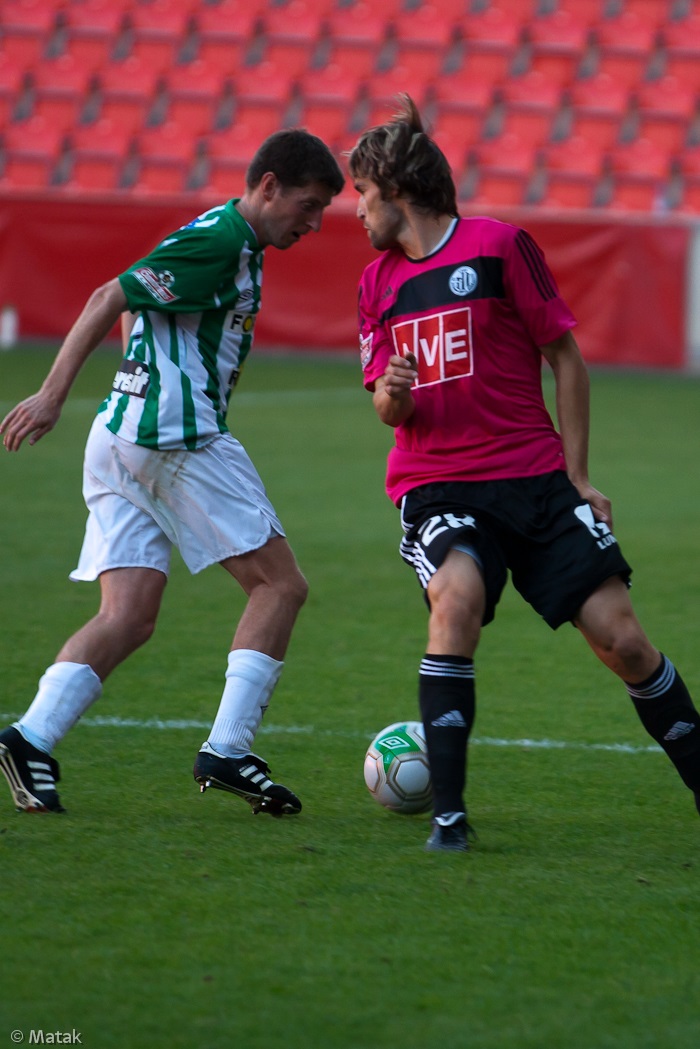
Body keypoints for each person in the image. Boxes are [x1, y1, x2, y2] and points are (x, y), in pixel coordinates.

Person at [349, 95, 700, 852]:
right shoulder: (375, 284)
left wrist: (577, 475)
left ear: (395, 191)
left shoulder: (500, 246)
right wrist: (393, 392)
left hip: (534, 481)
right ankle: (449, 819)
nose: (357, 214)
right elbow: (384, 406)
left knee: (626, 641)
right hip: (436, 484)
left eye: (362, 196)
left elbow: (565, 357)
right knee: (457, 597)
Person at [0, 128, 345, 817]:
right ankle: (229, 748)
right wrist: (52, 393)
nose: (312, 224)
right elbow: (110, 296)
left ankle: (29, 738)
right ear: (269, 185)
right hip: (174, 439)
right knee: (280, 586)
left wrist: (138, 374)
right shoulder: (220, 241)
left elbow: (140, 305)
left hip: (119, 437)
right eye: (307, 206)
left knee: (127, 615)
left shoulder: (231, 240)